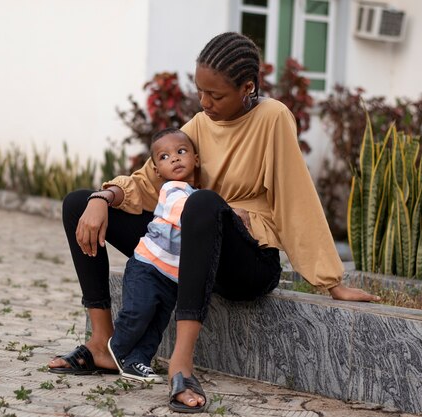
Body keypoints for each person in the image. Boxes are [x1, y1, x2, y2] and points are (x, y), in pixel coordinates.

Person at [48, 32, 380, 413]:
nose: (204, 103)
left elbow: (296, 199)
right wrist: (101, 198)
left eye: (216, 95)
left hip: (247, 263)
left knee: (202, 203)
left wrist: (331, 282)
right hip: (191, 249)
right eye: (200, 92)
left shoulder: (272, 118)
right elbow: (147, 180)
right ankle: (103, 344)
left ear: (247, 88)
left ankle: (181, 364)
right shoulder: (203, 122)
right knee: (79, 203)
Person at [106, 128, 199, 384]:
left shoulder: (195, 193)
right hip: (147, 266)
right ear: (157, 170)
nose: (176, 159)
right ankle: (117, 346)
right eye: (165, 157)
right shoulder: (171, 190)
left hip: (172, 277)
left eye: (181, 152)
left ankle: (138, 361)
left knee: (157, 325)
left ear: (196, 158)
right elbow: (185, 212)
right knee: (139, 311)